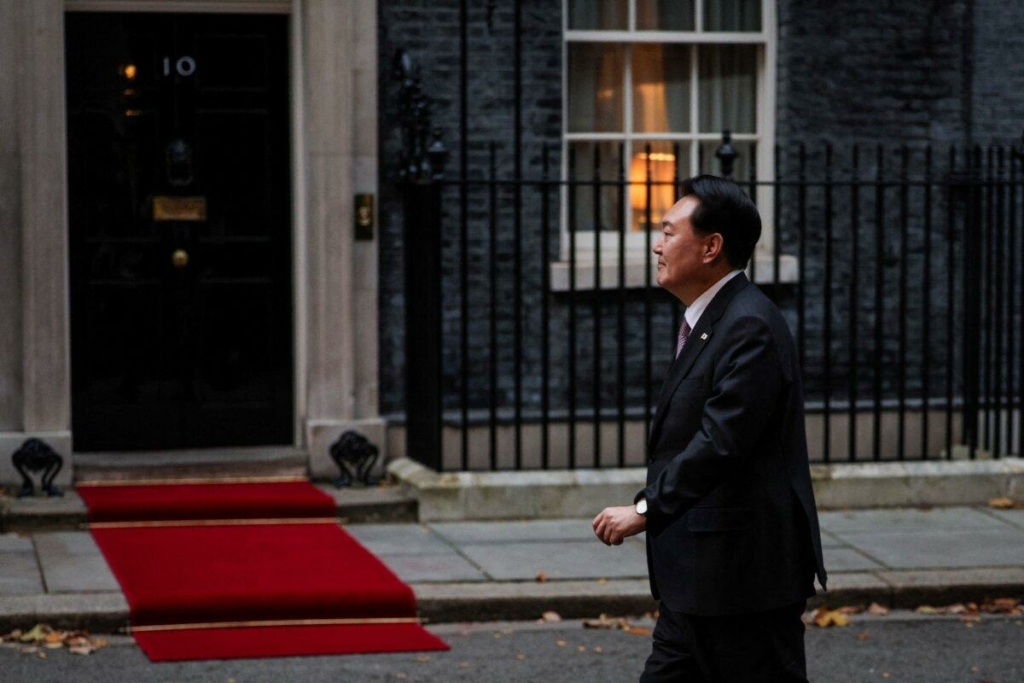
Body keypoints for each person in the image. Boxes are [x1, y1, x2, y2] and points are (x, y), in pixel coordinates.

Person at [592, 175, 828, 682]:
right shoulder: (710, 319)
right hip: (698, 581)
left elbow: (721, 442)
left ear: (711, 247)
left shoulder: (748, 326)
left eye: (668, 232)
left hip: (744, 584)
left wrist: (645, 508)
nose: (657, 244)